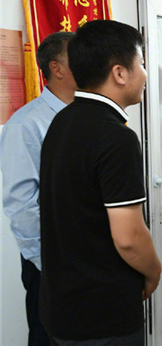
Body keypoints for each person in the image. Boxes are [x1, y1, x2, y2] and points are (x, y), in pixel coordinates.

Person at [39, 20, 162, 344]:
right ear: (120, 73)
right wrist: (154, 271)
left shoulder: (62, 121)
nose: (145, 74)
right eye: (142, 64)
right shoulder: (115, 136)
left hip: (63, 307)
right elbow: (129, 237)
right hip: (103, 314)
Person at [0, 32, 76, 346]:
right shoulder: (26, 124)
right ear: (56, 69)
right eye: (78, 57)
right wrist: (50, 265)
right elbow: (22, 205)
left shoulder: (84, 116)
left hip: (83, 258)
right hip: (50, 263)